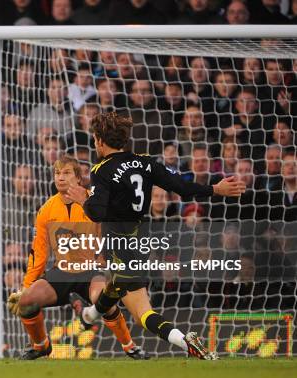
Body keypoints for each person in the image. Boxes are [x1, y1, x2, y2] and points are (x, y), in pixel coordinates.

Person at [65, 112, 245, 360]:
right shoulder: (146, 162)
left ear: (99, 140)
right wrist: (216, 188)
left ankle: (184, 342)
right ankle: (90, 315)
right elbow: (181, 187)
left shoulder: (101, 170)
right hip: (138, 245)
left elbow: (96, 213)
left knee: (138, 310)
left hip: (116, 247)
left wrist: (84, 199)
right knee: (125, 296)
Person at [8, 155, 146, 360]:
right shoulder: (46, 210)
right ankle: (41, 345)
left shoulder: (93, 202)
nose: (60, 178)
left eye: (66, 173)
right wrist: (27, 285)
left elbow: (110, 235)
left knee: (102, 300)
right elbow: (38, 251)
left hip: (92, 271)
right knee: (26, 301)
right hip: (62, 271)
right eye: (57, 173)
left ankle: (129, 345)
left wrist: (105, 261)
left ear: (79, 178)